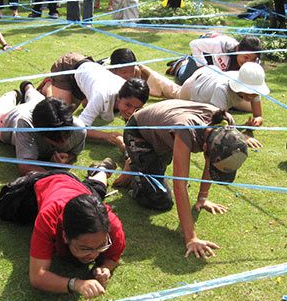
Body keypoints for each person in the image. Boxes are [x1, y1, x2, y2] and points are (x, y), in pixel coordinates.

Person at [114, 100, 249, 258]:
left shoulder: (224, 125)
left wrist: (203, 198)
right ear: (205, 148)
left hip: (163, 134)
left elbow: (209, 159)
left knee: (157, 166)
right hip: (139, 132)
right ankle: (132, 161)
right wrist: (191, 238)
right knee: (159, 198)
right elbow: (180, 185)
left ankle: (138, 161)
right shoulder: (185, 131)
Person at [29, 169, 125, 298]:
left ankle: (101, 170)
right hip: (49, 182)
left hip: (81, 190)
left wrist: (106, 268)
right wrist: (75, 284)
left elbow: (113, 258)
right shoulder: (49, 217)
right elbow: (37, 277)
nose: (94, 255)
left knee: (98, 188)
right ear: (65, 236)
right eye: (84, 248)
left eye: (101, 246)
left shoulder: (112, 225)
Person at [0, 81, 86, 175]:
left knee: (37, 99)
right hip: (13, 118)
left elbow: (73, 153)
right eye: (57, 140)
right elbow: (25, 166)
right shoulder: (26, 124)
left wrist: (67, 159)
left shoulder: (79, 129)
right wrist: (56, 178)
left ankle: (28, 87)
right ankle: (13, 94)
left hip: (39, 105)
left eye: (66, 135)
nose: (63, 143)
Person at [174, 62, 269, 127]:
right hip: (191, 89)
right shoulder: (222, 90)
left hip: (211, 73)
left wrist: (256, 121)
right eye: (248, 92)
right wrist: (243, 130)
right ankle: (181, 63)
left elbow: (258, 115)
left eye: (254, 93)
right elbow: (218, 124)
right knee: (176, 95)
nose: (251, 96)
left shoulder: (253, 85)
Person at [173, 34, 263, 84]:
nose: (248, 62)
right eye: (246, 57)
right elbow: (194, 44)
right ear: (238, 49)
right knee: (184, 80)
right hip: (204, 50)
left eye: (252, 59)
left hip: (217, 60)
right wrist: (202, 65)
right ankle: (182, 63)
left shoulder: (255, 62)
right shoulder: (221, 45)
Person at [106, 48, 178, 99]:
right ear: (113, 70)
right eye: (124, 72)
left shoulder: (137, 71)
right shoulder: (106, 75)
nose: (128, 75)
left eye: (131, 71)